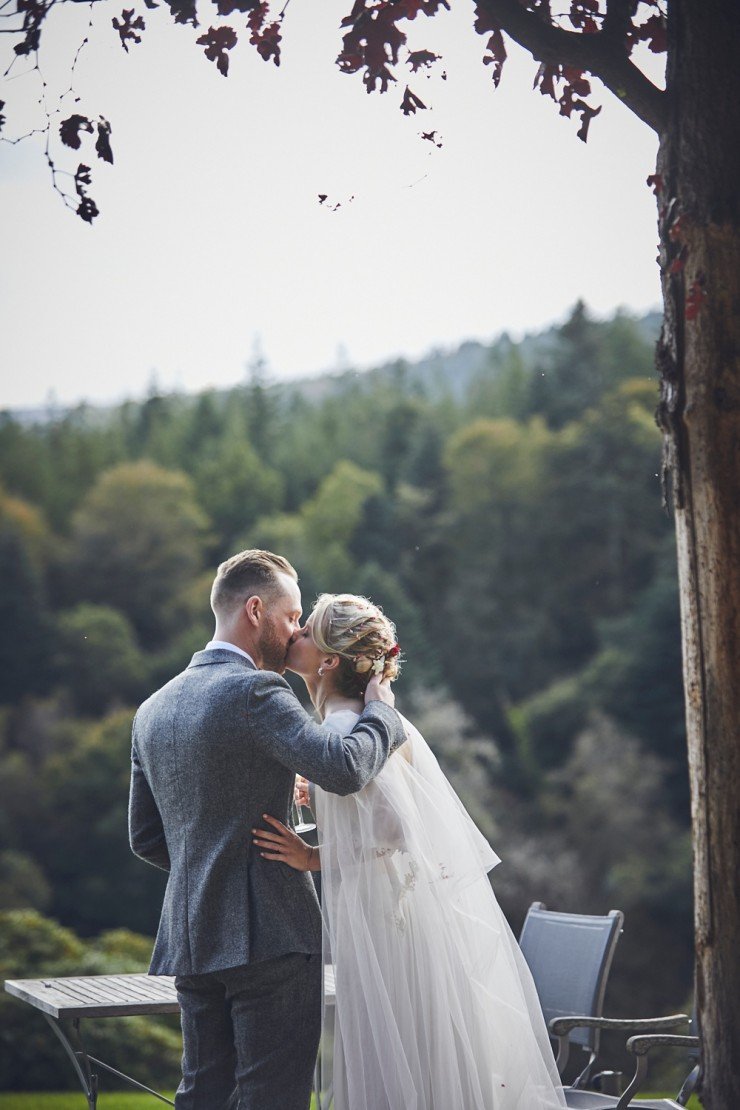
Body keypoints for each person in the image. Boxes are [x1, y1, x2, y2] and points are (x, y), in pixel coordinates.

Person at [253, 593, 567, 1110]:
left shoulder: (341, 726)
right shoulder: (360, 719)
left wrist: (312, 856)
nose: (295, 637)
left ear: (330, 661)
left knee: (394, 1050)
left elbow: (394, 828)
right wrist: (327, 798)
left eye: (305, 631)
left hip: (385, 915)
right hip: (399, 907)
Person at [128, 551, 406, 1110]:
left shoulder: (152, 709)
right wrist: (383, 713)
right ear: (256, 611)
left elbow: (146, 838)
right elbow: (344, 768)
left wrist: (210, 867)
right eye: (291, 616)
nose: (297, 630)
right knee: (271, 1096)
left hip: (191, 933)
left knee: (202, 1092)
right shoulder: (255, 692)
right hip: (272, 936)